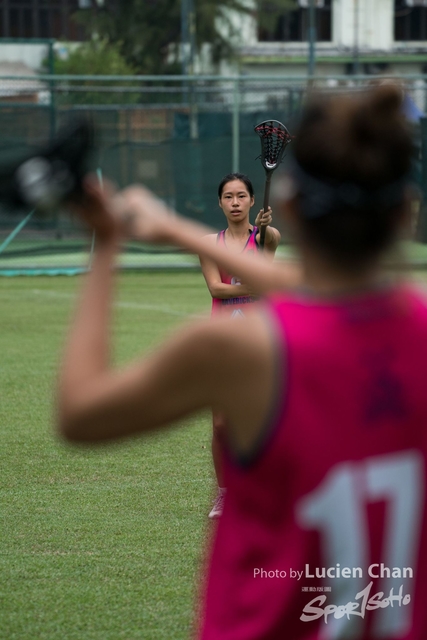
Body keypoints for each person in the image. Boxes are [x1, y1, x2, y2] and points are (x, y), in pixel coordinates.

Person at [57, 83, 427, 639]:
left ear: (294, 208)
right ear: (405, 214)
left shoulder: (237, 351)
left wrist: (108, 241)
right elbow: (317, 287)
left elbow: (79, 413)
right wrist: (181, 231)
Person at [200, 172, 281, 518]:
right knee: (220, 424)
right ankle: (225, 493)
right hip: (222, 341)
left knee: (261, 420)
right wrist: (250, 286)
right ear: (219, 203)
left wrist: (262, 238)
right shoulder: (209, 242)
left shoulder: (269, 237)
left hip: (257, 339)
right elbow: (216, 290)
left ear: (252, 201)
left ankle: (262, 488)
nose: (235, 203)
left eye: (241, 196)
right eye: (228, 197)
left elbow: (267, 283)